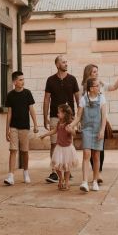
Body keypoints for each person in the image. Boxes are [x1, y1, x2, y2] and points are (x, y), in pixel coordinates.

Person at [80, 64, 118, 183]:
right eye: (94, 72)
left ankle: (98, 173)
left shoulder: (100, 84)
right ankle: (94, 173)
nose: (97, 73)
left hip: (101, 121)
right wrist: (79, 121)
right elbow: (80, 106)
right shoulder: (83, 89)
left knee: (99, 149)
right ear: (89, 73)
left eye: (97, 71)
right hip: (88, 122)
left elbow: (113, 87)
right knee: (88, 150)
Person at [43, 55, 80, 183]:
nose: (66, 64)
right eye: (63, 62)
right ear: (57, 65)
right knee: (54, 143)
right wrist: (44, 116)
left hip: (70, 118)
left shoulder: (72, 79)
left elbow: (78, 99)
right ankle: (54, 172)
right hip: (54, 116)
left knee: (68, 143)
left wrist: (78, 118)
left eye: (66, 62)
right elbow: (46, 99)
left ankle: (67, 170)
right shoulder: (50, 80)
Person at [69, 77, 107, 192]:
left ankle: (95, 181)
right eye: (97, 86)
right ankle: (85, 182)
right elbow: (79, 117)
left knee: (96, 156)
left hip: (98, 130)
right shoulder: (83, 99)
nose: (99, 87)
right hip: (87, 130)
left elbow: (104, 117)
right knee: (86, 154)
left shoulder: (102, 98)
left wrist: (102, 131)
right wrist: (71, 125)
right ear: (91, 88)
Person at [4, 70, 38, 186]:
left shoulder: (27, 93)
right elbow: (9, 113)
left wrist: (35, 124)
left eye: (23, 79)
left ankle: (26, 172)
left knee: (24, 151)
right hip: (13, 127)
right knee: (13, 150)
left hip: (25, 127)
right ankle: (10, 176)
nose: (23, 82)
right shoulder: (10, 95)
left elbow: (31, 110)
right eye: (20, 80)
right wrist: (7, 129)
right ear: (14, 82)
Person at [39, 103, 76, 190]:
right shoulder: (59, 123)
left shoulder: (69, 123)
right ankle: (60, 178)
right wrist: (45, 135)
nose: (57, 114)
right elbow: (54, 131)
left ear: (65, 114)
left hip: (67, 148)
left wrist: (71, 130)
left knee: (67, 167)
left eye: (59, 112)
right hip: (59, 148)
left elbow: (74, 133)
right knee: (56, 165)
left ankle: (66, 182)